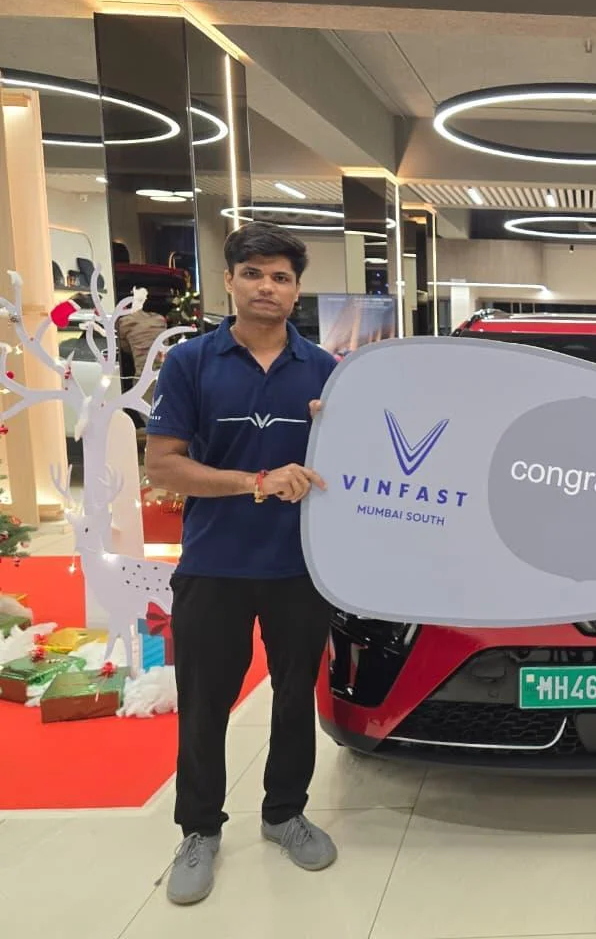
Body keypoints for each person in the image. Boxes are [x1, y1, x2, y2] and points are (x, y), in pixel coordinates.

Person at [145, 222, 340, 905]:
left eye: (281, 277)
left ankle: (285, 813)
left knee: (294, 698)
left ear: (296, 290)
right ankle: (199, 829)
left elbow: (357, 469)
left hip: (300, 567)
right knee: (205, 704)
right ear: (228, 281)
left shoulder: (326, 371)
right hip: (215, 563)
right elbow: (163, 465)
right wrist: (256, 482)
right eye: (253, 273)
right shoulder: (191, 363)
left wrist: (339, 429)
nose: (267, 287)